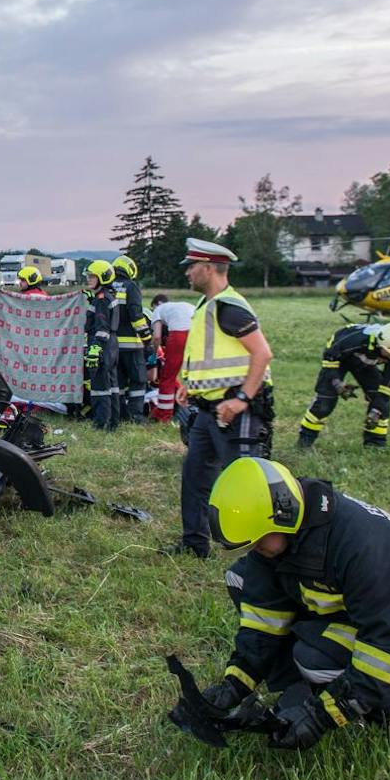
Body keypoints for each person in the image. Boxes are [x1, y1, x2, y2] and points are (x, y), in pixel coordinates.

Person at [181, 457, 390, 749]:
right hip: (359, 609)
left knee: (314, 659)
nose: (256, 550)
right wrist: (236, 683)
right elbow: (264, 619)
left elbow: (386, 644)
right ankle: (301, 688)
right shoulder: (283, 532)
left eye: (259, 541)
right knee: (241, 579)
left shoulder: (365, 548)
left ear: (283, 514)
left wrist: (321, 716)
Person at [167, 238, 274, 558]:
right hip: (207, 410)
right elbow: (212, 356)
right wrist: (191, 385)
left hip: (236, 411)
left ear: (209, 268)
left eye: (191, 267)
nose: (187, 273)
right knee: (195, 478)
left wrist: (242, 398)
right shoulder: (206, 306)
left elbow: (262, 354)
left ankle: (263, 553)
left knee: (246, 483)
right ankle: (194, 544)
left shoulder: (229, 306)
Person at [298, 322, 390, 449]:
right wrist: (337, 383)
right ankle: (305, 442)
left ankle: (375, 445)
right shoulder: (355, 340)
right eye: (389, 353)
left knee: (381, 402)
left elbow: (388, 386)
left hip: (364, 364)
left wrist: (376, 410)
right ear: (380, 343)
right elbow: (330, 357)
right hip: (337, 360)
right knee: (325, 402)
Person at [111, 254, 153, 421]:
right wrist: (147, 338)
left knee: (118, 382)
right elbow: (136, 315)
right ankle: (135, 415)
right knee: (138, 381)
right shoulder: (131, 287)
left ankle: (120, 414)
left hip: (112, 346)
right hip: (132, 346)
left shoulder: (107, 287)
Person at [80, 259, 119, 429]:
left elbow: (102, 328)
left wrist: (94, 349)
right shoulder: (105, 296)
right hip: (111, 346)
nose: (88, 279)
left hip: (102, 345)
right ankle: (113, 422)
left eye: (92, 276)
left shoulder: (102, 299)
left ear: (102, 277)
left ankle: (101, 423)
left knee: (100, 387)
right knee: (112, 386)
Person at [150, 292, 196, 422]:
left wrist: (154, 354)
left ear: (154, 305)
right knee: (196, 375)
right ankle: (197, 409)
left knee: (168, 376)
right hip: (198, 333)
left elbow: (157, 336)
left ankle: (164, 415)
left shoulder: (157, 311)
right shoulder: (185, 305)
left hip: (178, 334)